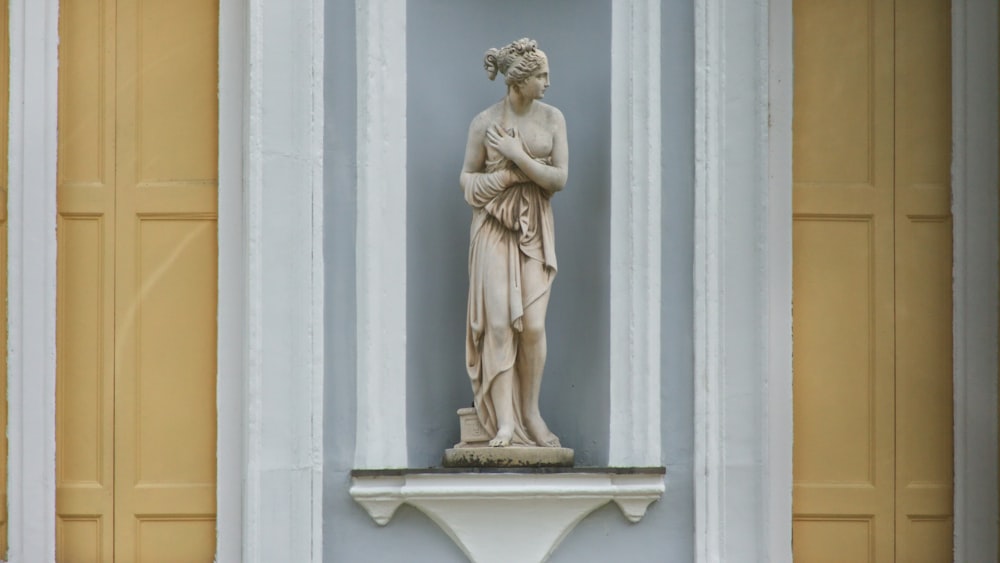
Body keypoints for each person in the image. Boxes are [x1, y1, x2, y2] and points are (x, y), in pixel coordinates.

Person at [460, 38, 568, 448]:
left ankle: (532, 414)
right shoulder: (483, 122)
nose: (548, 83)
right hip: (492, 228)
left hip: (534, 230)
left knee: (534, 326)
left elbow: (559, 179)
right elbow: (467, 182)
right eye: (542, 76)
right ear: (518, 82)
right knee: (500, 326)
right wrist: (506, 177)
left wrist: (517, 157)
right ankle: (505, 422)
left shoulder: (553, 119)